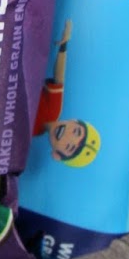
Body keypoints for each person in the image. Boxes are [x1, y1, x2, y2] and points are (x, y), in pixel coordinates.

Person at [32, 19, 101, 168]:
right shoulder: (54, 110)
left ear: (56, 155)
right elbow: (59, 78)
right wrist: (64, 45)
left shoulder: (28, 134)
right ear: (74, 121)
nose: (67, 136)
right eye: (76, 131)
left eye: (68, 146)